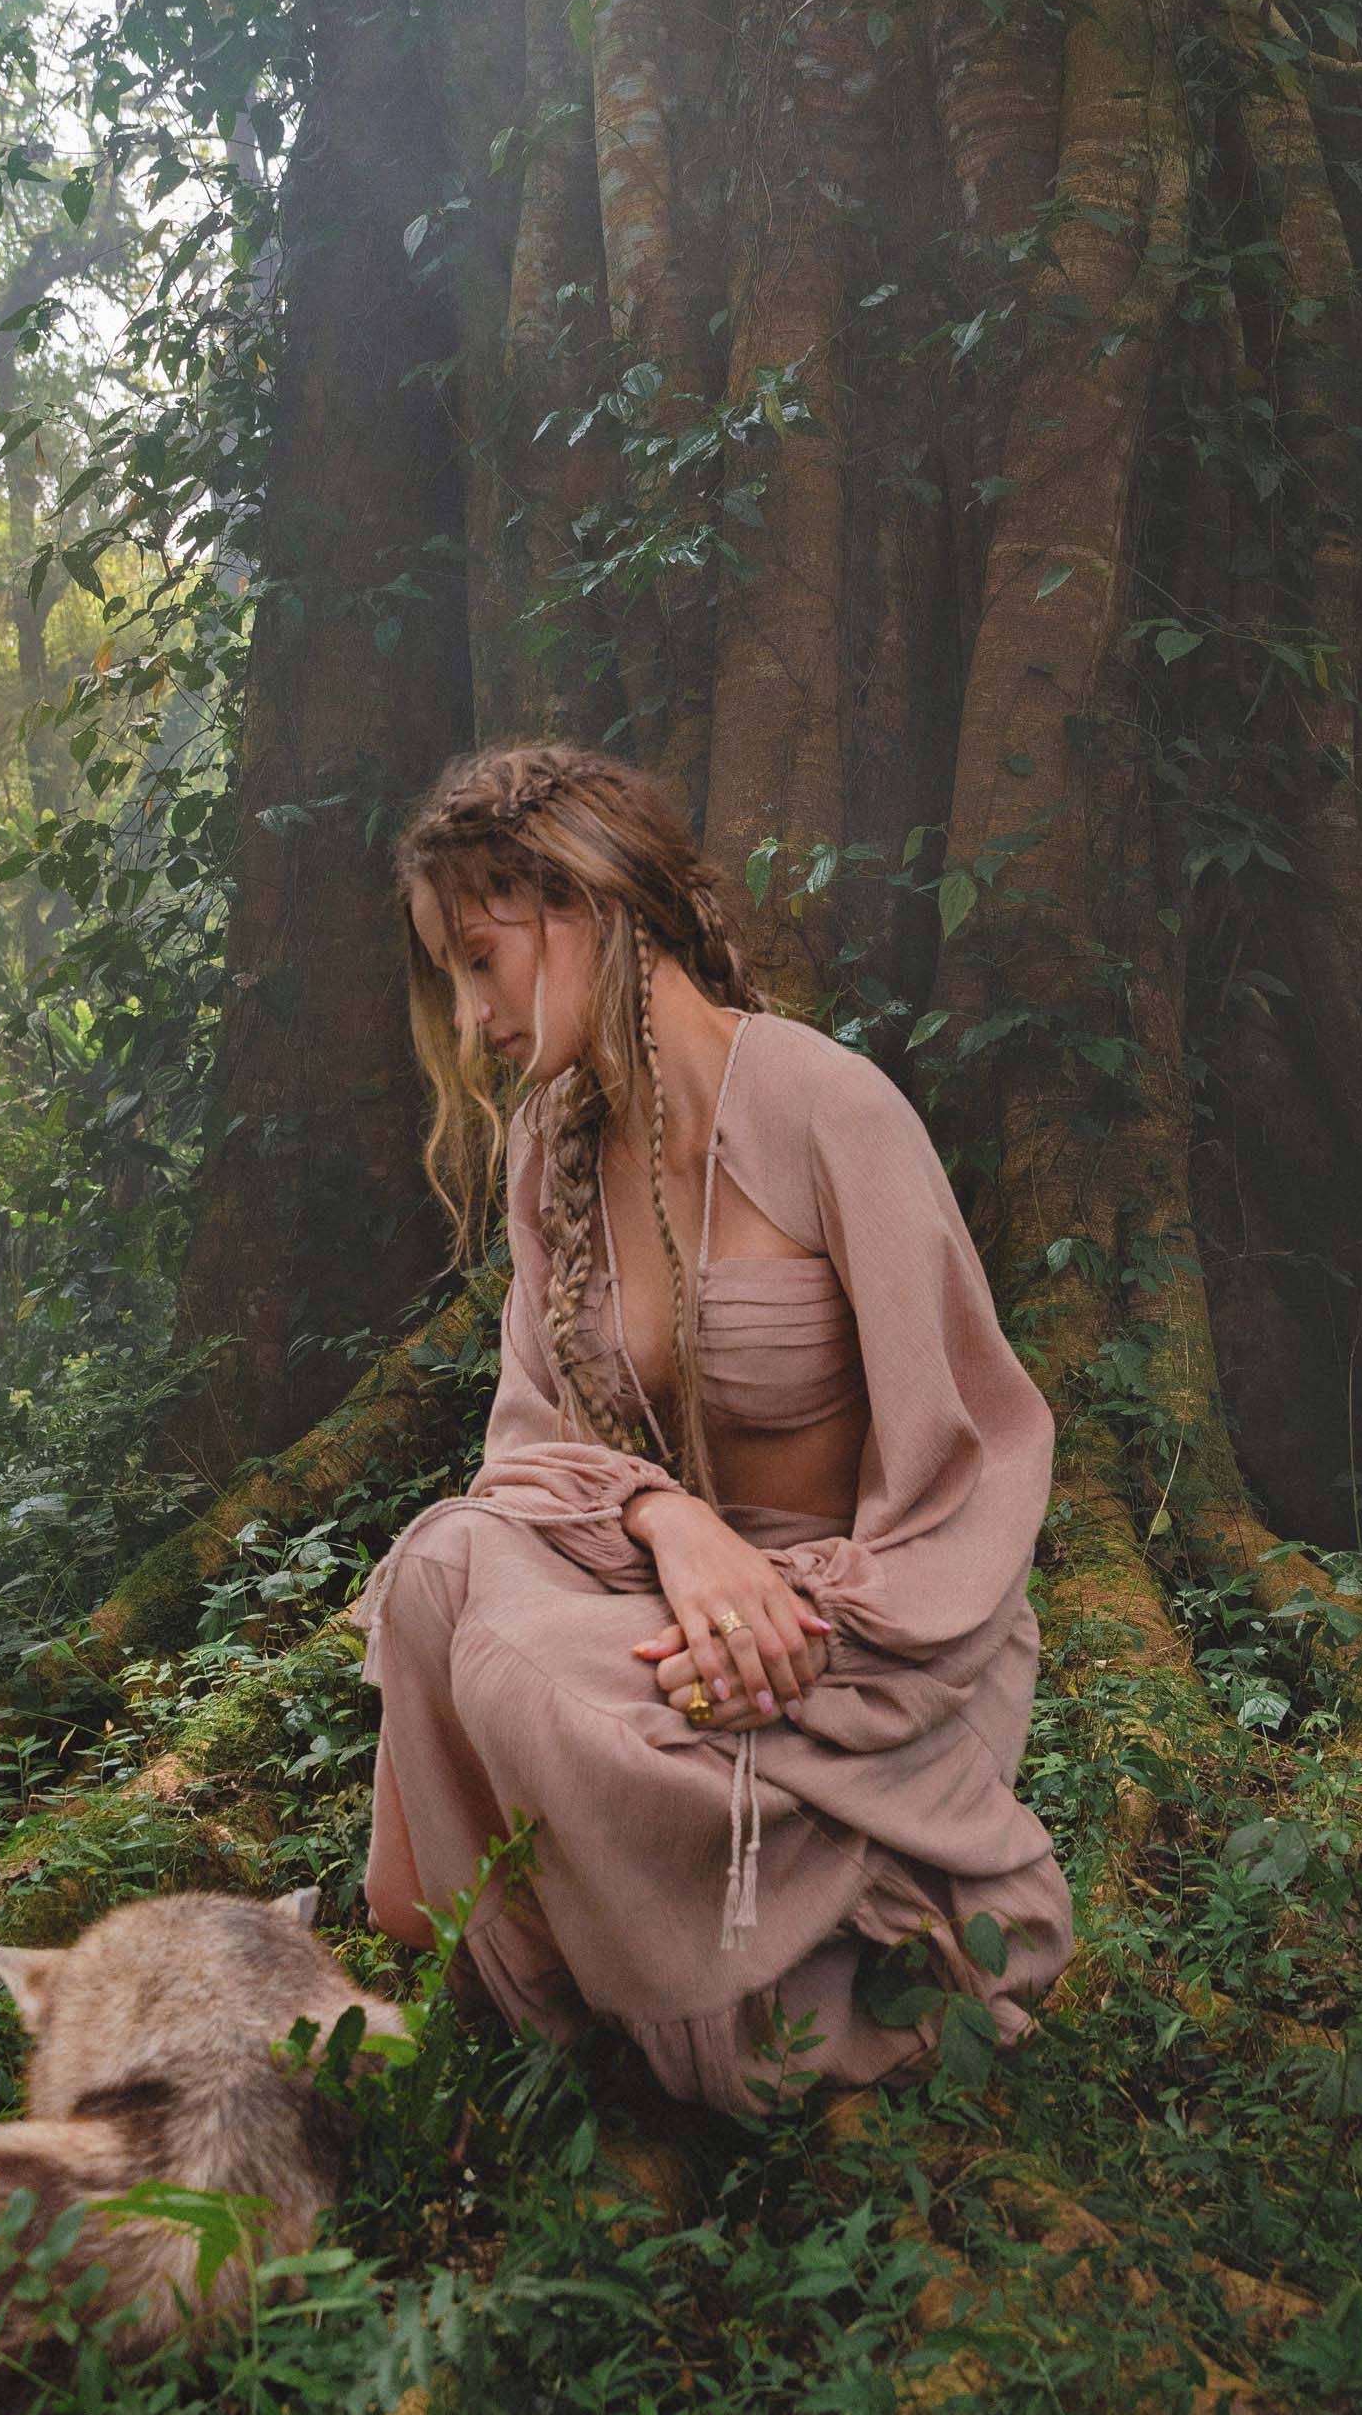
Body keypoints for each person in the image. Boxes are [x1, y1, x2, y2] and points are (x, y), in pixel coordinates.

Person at [349, 740, 1073, 2115]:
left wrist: (782, 1617)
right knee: (443, 1569)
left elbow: (971, 1459)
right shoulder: (546, 1144)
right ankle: (639, 1930)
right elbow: (525, 1458)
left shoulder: (822, 1105)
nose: (469, 1017)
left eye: (482, 959)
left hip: (852, 1654)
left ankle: (801, 1920)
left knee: (561, 1705)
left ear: (583, 903)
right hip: (663, 1624)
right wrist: (671, 1525)